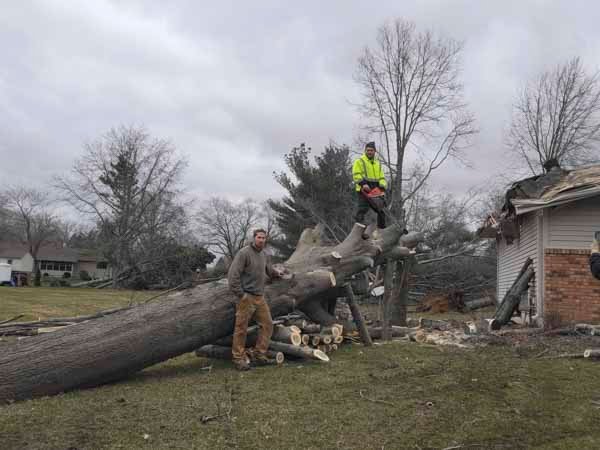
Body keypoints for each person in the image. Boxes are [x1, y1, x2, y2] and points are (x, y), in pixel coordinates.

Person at [227, 229, 282, 370]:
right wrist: (241, 294)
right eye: (259, 237)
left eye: (264, 238)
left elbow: (269, 270)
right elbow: (233, 275)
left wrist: (279, 273)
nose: (261, 240)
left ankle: (259, 354)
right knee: (241, 328)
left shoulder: (264, 254)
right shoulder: (244, 253)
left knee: (268, 324)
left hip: (260, 297)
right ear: (253, 238)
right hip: (246, 297)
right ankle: (238, 359)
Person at [352, 141, 387, 229]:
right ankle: (359, 228)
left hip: (375, 189)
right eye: (367, 150)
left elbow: (382, 177)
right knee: (363, 208)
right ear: (365, 151)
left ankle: (381, 230)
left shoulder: (378, 163)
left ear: (375, 151)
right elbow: (356, 174)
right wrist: (363, 184)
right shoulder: (359, 161)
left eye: (371, 150)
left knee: (381, 210)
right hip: (363, 188)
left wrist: (382, 187)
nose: (369, 152)